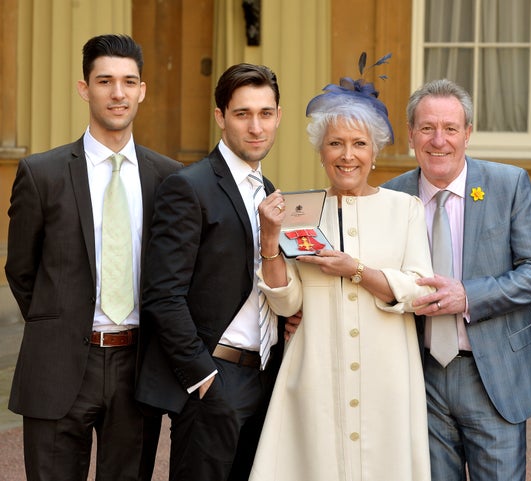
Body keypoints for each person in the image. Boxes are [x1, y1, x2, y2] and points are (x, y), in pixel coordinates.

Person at [4, 34, 181, 481]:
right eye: (105, 81)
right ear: (84, 88)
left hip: (138, 366)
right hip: (58, 363)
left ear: (142, 89)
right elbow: (21, 269)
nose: (117, 93)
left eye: (128, 82)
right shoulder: (41, 174)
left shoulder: (170, 179)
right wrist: (59, 324)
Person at [248, 61, 434, 481]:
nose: (347, 155)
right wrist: (270, 242)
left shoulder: (404, 209)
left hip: (386, 377)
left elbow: (420, 292)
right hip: (315, 376)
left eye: (359, 144)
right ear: (321, 151)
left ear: (375, 150)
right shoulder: (300, 210)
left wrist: (357, 269)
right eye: (335, 144)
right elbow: (286, 302)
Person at [382, 79, 531, 481]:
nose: (438, 140)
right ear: (411, 134)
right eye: (427, 128)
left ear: (468, 133)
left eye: (450, 128)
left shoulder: (507, 184)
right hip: (420, 376)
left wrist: (468, 296)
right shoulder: (391, 197)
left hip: (492, 375)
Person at [134, 63, 286, 481]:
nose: (256, 127)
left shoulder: (270, 191)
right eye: (242, 114)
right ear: (220, 117)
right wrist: (203, 378)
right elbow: (162, 295)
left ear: (278, 116)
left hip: (263, 376)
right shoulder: (189, 186)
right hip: (215, 379)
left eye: (266, 113)